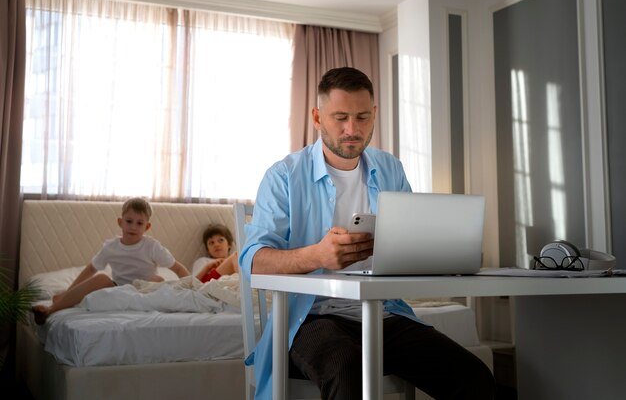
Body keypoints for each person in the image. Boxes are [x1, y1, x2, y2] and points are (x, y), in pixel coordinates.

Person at [239, 67, 495, 399]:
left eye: (362, 117)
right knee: (347, 370)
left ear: (374, 114)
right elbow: (253, 262)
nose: (352, 129)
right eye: (340, 117)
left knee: (474, 378)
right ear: (317, 117)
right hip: (310, 320)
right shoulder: (283, 176)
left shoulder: (391, 169)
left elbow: (412, 242)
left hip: (384, 313)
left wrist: (445, 252)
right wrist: (318, 255)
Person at [32, 197, 190, 325]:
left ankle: (60, 301)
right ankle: (51, 309)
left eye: (139, 223)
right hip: (118, 287)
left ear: (147, 227)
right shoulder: (111, 247)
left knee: (158, 279)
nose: (133, 227)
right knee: (101, 278)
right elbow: (90, 269)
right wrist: (69, 292)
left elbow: (177, 268)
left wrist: (192, 287)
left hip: (143, 289)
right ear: (120, 222)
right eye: (129, 221)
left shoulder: (152, 247)